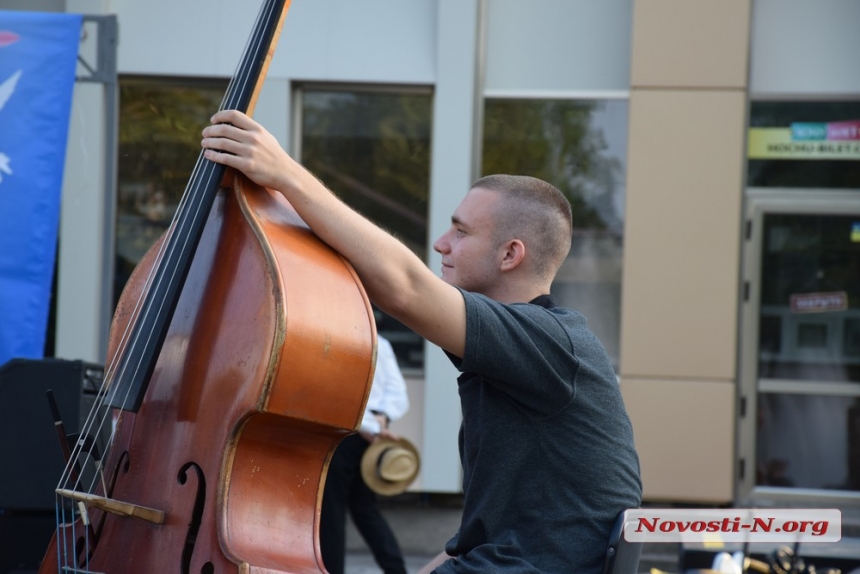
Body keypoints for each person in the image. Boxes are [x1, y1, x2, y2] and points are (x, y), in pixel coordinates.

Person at [201, 110, 642, 574]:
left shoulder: (553, 343)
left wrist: (284, 174)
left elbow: (404, 288)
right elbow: (467, 546)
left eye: (461, 231)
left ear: (511, 254)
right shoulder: (519, 360)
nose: (440, 243)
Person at [320, 334, 410, 574]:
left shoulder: (337, 338)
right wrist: (382, 421)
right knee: (364, 510)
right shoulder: (382, 342)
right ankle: (396, 570)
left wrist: (371, 426)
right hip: (373, 436)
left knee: (332, 512)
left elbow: (336, 395)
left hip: (346, 434)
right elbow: (398, 393)